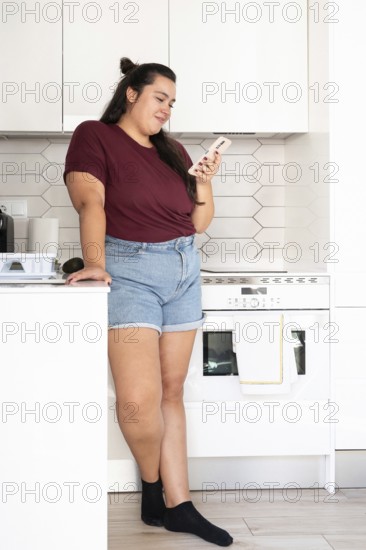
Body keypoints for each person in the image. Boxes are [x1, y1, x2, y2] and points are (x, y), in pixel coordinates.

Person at [63, 57, 233, 547]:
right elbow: (90, 200)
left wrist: (203, 180)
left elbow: (197, 224)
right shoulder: (94, 135)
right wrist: (95, 262)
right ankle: (153, 484)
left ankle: (180, 506)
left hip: (183, 268)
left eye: (172, 103)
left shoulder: (173, 151)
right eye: (160, 98)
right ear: (132, 93)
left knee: (171, 392)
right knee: (139, 402)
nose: (167, 109)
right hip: (129, 269)